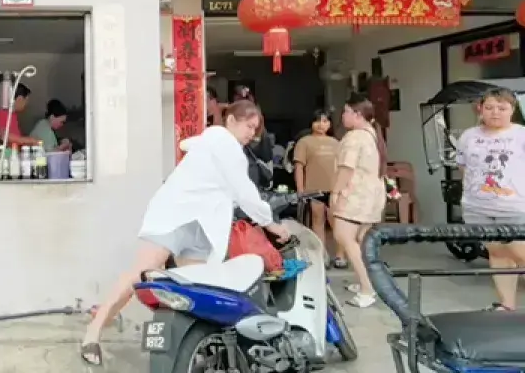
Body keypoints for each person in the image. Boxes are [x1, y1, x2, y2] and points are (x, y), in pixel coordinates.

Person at [80, 100, 292, 365]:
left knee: (191, 295)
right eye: (248, 126)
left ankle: (188, 353)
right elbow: (245, 193)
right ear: (230, 121)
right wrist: (270, 224)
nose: (252, 133)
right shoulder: (223, 141)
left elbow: (230, 189)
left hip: (202, 229)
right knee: (141, 274)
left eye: (255, 129)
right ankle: (94, 331)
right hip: (177, 218)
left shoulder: (215, 145)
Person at [456, 87, 525, 311]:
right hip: (477, 207)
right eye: (489, 107)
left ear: (512, 109)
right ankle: (507, 306)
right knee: (496, 253)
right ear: (481, 109)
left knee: (520, 252)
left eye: (501, 108)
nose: (495, 112)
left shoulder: (521, 134)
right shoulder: (468, 136)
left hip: (515, 207)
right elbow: (463, 167)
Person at [331, 94, 387, 308]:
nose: (343, 116)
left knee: (344, 237)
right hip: (372, 195)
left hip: (355, 194)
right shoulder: (371, 134)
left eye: (346, 111)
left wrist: (335, 192)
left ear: (357, 114)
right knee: (361, 242)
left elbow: (347, 168)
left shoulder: (354, 137)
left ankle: (367, 288)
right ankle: (367, 282)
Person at [292, 110, 340, 263]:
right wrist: (301, 190)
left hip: (334, 189)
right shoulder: (304, 142)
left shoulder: (336, 143)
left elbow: (342, 167)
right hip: (314, 190)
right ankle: (322, 255)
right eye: (317, 121)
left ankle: (341, 256)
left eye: (325, 121)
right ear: (311, 123)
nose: (321, 124)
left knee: (336, 222)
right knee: (317, 221)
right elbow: (299, 167)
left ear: (330, 124)